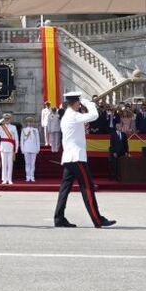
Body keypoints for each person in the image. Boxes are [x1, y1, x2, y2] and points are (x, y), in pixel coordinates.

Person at [54, 91, 115, 228]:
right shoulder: (73, 115)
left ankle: (59, 218)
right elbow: (94, 115)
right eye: (79, 103)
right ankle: (97, 219)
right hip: (77, 158)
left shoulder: (67, 115)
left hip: (70, 157)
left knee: (65, 189)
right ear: (76, 103)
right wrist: (89, 103)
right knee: (87, 187)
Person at [0, 113, 18, 185]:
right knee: (4, 164)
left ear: (10, 119)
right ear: (3, 119)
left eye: (8, 118)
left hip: (11, 147)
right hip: (3, 147)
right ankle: (4, 179)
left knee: (10, 164)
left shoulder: (13, 127)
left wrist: (16, 149)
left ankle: (9, 179)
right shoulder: (0, 127)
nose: (7, 120)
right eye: (5, 118)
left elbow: (16, 139)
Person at [20, 117, 40, 182]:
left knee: (33, 163)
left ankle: (32, 176)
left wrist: (38, 148)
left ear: (33, 123)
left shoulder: (35, 130)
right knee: (27, 163)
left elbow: (38, 140)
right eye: (28, 122)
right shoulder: (24, 130)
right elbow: (22, 140)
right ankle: (28, 176)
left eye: (31, 122)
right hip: (26, 148)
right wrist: (22, 149)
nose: (30, 123)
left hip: (34, 148)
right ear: (26, 123)